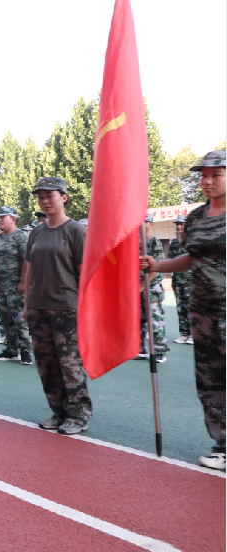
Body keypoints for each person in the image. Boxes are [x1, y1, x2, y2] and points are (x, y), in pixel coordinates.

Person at [141, 149, 225, 470]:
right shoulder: (195, 218)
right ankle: (223, 445)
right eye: (203, 175)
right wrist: (159, 265)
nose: (207, 180)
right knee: (211, 381)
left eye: (215, 174)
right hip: (203, 311)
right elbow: (194, 257)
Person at [19, 177, 90, 436]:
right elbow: (30, 271)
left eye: (50, 195)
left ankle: (78, 414)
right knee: (46, 364)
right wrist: (27, 305)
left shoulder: (76, 230)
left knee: (69, 363)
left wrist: (84, 309)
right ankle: (58, 411)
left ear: (64, 197)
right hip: (38, 306)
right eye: (41, 196)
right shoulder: (37, 232)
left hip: (66, 307)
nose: (45, 200)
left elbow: (84, 274)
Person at [0, 207, 33, 364]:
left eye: (2, 216)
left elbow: (27, 260)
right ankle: (11, 350)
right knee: (5, 319)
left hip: (16, 287)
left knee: (20, 319)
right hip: (1, 287)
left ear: (13, 219)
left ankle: (25, 350)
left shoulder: (21, 237)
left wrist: (23, 282)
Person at [138, 214, 167, 362]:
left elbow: (157, 266)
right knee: (138, 319)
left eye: (145, 222)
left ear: (151, 224)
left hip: (152, 286)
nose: (141, 224)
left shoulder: (155, 242)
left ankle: (159, 351)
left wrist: (143, 285)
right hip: (136, 287)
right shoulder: (131, 243)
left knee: (155, 318)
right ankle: (140, 349)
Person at [169, 215, 193, 344]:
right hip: (178, 279)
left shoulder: (192, 240)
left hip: (190, 280)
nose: (179, 226)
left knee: (191, 307)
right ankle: (184, 333)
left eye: (181, 224)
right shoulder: (174, 242)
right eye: (177, 224)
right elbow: (171, 260)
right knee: (180, 307)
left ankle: (193, 335)